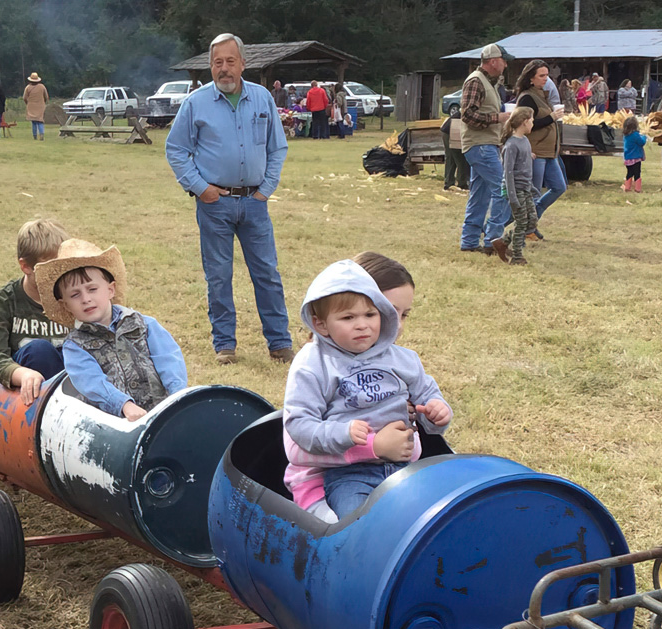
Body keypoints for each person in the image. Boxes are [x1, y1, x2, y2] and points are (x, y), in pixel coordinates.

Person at [283, 259, 451, 520]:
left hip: (401, 468)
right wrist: (373, 445)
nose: (362, 324)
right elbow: (298, 440)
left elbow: (427, 402)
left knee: (432, 519)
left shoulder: (402, 359)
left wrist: (435, 414)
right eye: (349, 316)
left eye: (371, 315)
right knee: (360, 528)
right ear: (322, 323)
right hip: (333, 477)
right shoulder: (313, 365)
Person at [165, 33, 293, 366]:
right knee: (219, 275)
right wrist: (200, 187)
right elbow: (176, 149)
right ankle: (225, 345)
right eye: (217, 62)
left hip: (255, 202)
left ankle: (279, 343)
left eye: (230, 61)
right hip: (214, 204)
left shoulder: (263, 98)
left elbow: (277, 146)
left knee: (266, 273)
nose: (224, 69)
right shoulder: (196, 103)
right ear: (210, 66)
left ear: (243, 64)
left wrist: (267, 187)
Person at [34, 239, 188, 422]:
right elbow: (92, 383)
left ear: (110, 290)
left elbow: (169, 359)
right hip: (112, 426)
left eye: (92, 289)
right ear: (65, 305)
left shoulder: (145, 325)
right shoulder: (74, 347)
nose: (86, 299)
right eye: (75, 294)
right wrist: (124, 405)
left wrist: (177, 397)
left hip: (163, 414)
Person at [0, 219, 71, 405]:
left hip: (71, 379)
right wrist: (22, 374)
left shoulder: (74, 296)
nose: (57, 274)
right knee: (39, 350)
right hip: (27, 390)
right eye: (48, 267)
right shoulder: (2, 302)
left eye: (61, 266)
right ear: (25, 266)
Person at [458, 43, 514, 255]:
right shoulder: (476, 81)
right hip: (480, 145)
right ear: (493, 61)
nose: (506, 64)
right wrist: (498, 118)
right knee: (504, 189)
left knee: (479, 195)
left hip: (484, 144)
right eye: (503, 60)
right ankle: (493, 240)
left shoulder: (486, 82)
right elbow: (468, 115)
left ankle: (470, 242)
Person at [515, 59, 566, 224]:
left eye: (547, 75)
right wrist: (552, 117)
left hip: (550, 151)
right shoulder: (527, 98)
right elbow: (525, 125)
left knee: (559, 187)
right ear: (531, 78)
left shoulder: (543, 96)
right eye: (542, 76)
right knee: (534, 192)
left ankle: (532, 218)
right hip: (536, 151)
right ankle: (527, 226)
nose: (546, 79)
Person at [491, 107, 538, 266]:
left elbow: (525, 166)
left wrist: (530, 186)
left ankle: (502, 242)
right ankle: (517, 256)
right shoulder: (511, 145)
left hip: (525, 188)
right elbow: (508, 172)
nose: (533, 123)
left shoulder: (525, 141)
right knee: (522, 221)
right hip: (515, 190)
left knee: (531, 221)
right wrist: (512, 196)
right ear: (524, 122)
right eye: (532, 120)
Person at [440, 114, 468, 190]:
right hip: (450, 130)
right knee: (460, 157)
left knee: (452, 157)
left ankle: (449, 182)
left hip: (449, 129)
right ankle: (461, 183)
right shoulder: (471, 109)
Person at [621, 115, 647, 193]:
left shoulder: (626, 135)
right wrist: (644, 136)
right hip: (636, 157)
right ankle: (637, 188)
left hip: (628, 157)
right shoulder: (635, 135)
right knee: (637, 173)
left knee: (629, 172)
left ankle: (627, 187)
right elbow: (641, 142)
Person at [24, 72, 49, 141]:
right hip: (41, 106)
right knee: (40, 121)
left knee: (34, 122)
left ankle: (35, 136)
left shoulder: (28, 88)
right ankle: (41, 134)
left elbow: (25, 98)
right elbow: (46, 97)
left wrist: (28, 103)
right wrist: (43, 103)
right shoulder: (42, 87)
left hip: (31, 106)